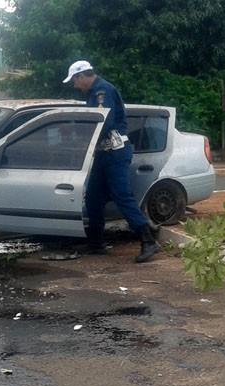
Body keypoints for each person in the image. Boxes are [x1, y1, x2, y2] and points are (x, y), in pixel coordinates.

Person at [63, 60, 159, 263]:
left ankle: (148, 240)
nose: (74, 85)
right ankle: (96, 243)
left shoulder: (102, 91)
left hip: (115, 152)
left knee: (121, 195)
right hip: (103, 153)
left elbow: (102, 123)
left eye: (74, 80)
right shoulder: (93, 93)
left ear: (81, 76)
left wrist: (80, 139)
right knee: (93, 198)